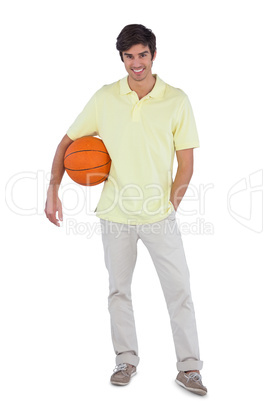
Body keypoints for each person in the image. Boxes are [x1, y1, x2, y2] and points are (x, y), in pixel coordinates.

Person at [45, 24, 207, 396]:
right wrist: (53, 190)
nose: (136, 63)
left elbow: (186, 164)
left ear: (154, 54)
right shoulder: (105, 98)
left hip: (159, 216)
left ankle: (190, 368)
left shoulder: (177, 100)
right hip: (114, 214)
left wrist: (170, 206)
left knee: (179, 290)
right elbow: (67, 143)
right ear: (122, 58)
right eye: (129, 57)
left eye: (142, 55)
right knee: (119, 290)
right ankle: (126, 360)